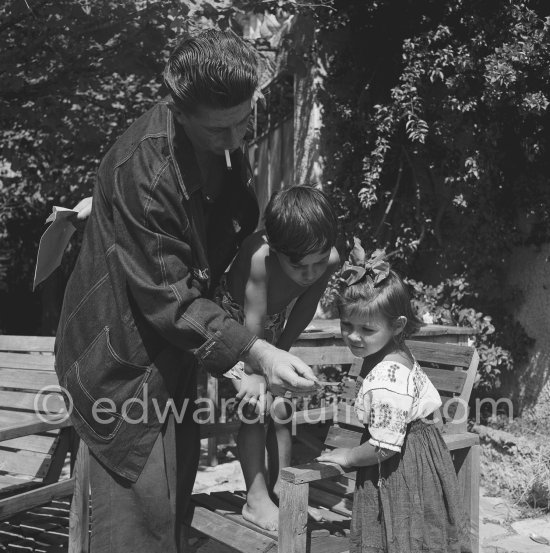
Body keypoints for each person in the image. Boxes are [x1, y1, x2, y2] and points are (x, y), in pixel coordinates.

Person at [54, 29, 318, 553]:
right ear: (178, 109)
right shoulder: (146, 168)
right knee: (133, 528)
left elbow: (222, 246)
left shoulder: (220, 145)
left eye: (246, 119)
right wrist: (254, 352)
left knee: (170, 516)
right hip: (121, 370)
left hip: (171, 359)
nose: (238, 137)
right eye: (221, 129)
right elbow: (168, 295)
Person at [317, 239, 471, 553]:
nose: (354, 337)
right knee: (416, 536)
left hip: (398, 467)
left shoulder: (388, 377)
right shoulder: (397, 352)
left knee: (394, 535)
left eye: (367, 329)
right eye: (347, 324)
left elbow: (383, 446)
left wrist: (347, 457)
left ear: (396, 325)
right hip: (419, 459)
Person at [214, 184, 340, 531]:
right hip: (232, 327)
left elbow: (304, 307)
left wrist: (281, 354)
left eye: (319, 262)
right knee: (254, 408)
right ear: (274, 245)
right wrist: (257, 372)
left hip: (269, 328)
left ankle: (283, 491)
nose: (311, 273)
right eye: (300, 266)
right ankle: (255, 501)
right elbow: (250, 324)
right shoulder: (259, 257)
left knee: (281, 408)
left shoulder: (326, 259)